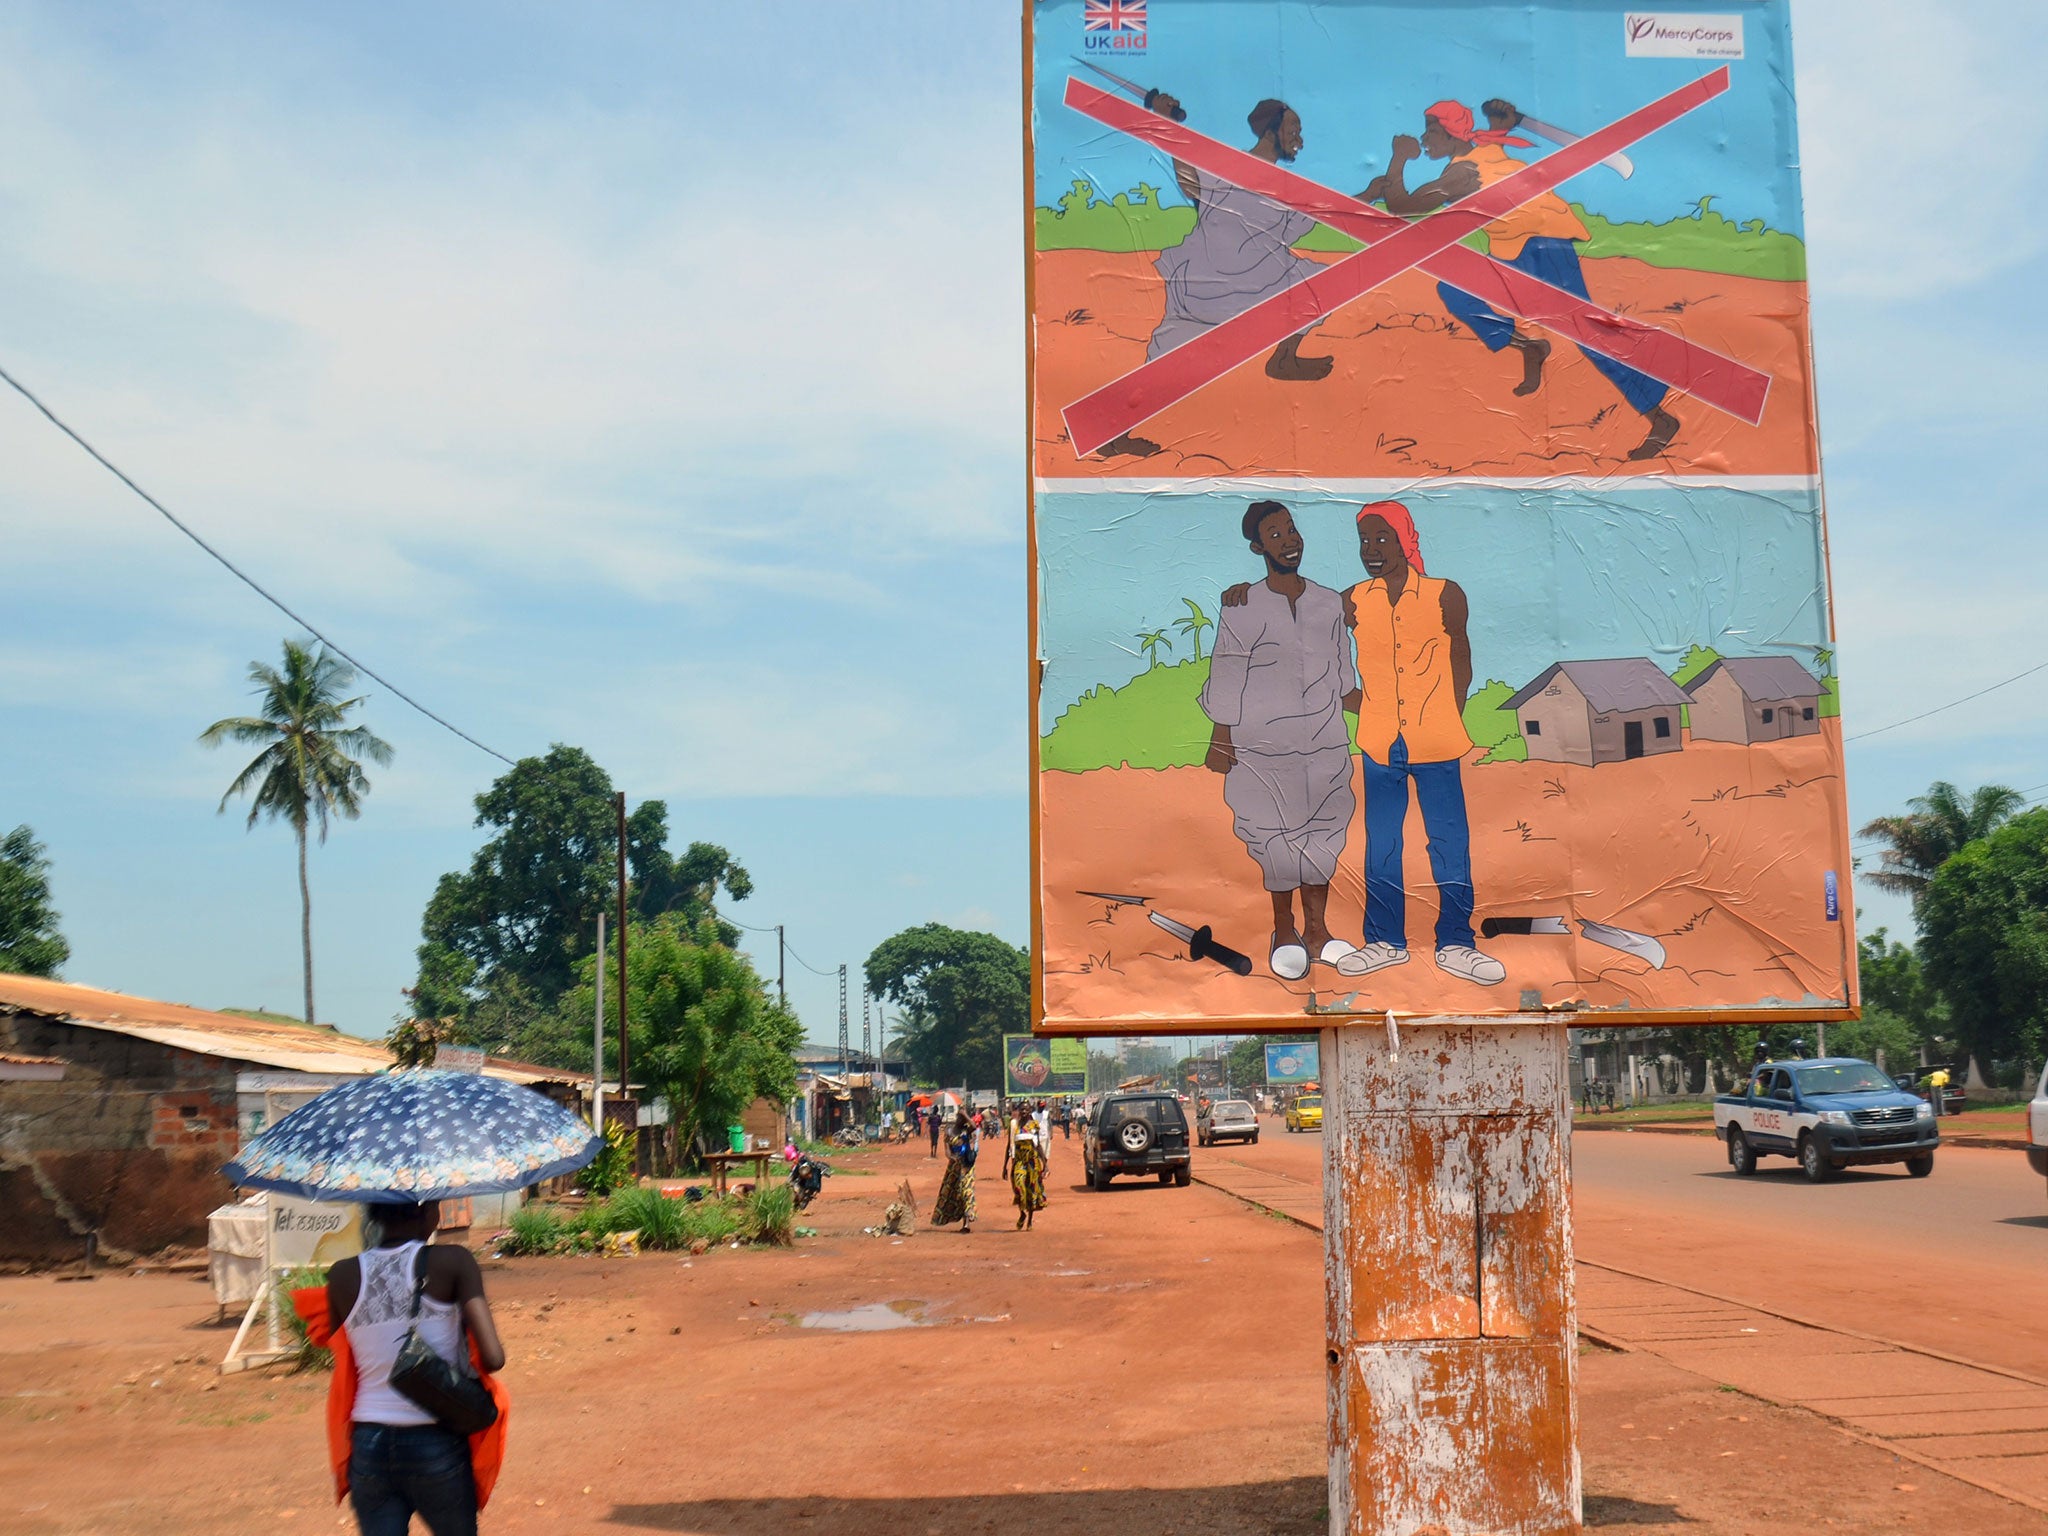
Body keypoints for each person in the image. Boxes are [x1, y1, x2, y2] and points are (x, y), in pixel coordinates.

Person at [1368, 100, 1680, 462]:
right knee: (1455, 290)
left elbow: (1403, 206)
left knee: (1586, 333)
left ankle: (1661, 418)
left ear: (1453, 135)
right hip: (1513, 249)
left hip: (1544, 245)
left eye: (1432, 131)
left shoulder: (1463, 173)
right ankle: (1529, 347)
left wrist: (1399, 158)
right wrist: (1505, 119)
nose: (1424, 139)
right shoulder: (1479, 152)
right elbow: (1498, 130)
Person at [1333, 501, 1504, 986]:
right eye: (1364, 541)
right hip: (1380, 741)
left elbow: (1461, 659)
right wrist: (1358, 702)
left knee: (1449, 842)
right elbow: (1310, 632)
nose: (1371, 550)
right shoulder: (1351, 600)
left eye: (1381, 539)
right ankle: (1385, 942)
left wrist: (1447, 715)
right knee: (1383, 844)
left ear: (1405, 540)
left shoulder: (1444, 594)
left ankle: (1456, 942)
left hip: (1436, 739)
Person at [1206, 500, 1363, 981]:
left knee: (1322, 839)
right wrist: (1221, 738)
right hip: (1262, 749)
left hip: (1325, 743)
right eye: (1275, 535)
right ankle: (1285, 932)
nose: (1289, 540)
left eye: (1292, 530)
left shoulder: (1328, 602)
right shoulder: (1242, 606)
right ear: (1258, 547)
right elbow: (1228, 673)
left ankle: (1319, 933)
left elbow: (1343, 677)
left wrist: (1389, 714)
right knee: (1273, 841)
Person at [318, 1200, 508, 1536]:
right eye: (435, 1203)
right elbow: (493, 1358)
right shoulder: (454, 1261)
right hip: (434, 1438)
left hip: (368, 1442)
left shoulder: (341, 1274)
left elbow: (339, 1347)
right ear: (423, 1211)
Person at [931, 1111, 978, 1234]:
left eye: (964, 1119)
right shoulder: (949, 1131)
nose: (962, 1121)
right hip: (954, 1167)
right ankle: (953, 1217)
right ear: (957, 1118)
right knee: (953, 1194)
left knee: (966, 1192)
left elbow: (974, 1126)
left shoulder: (966, 1131)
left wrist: (966, 1115)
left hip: (966, 1166)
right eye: (960, 1118)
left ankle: (966, 1223)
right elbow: (947, 1150)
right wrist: (951, 1157)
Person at [1009, 1104, 1049, 1231]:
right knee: (1019, 1186)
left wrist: (1045, 1164)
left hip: (1032, 1162)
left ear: (1030, 1111)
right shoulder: (1015, 1125)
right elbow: (1008, 1146)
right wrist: (1005, 1165)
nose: (1024, 1111)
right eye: (1022, 1109)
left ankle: (1030, 1220)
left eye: (1026, 1109)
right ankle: (1022, 1213)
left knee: (1031, 1191)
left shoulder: (1033, 1126)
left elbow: (1038, 1146)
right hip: (1019, 1162)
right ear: (1019, 1111)